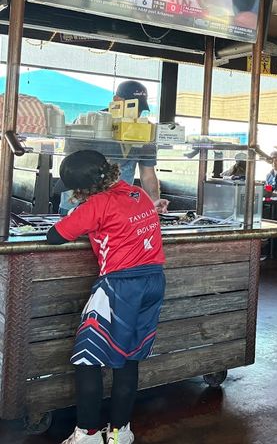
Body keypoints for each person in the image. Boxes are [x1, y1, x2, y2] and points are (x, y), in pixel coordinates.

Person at [46, 151, 165, 444]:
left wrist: (80, 212)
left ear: (82, 188)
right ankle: (119, 433)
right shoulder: (137, 194)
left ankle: (86, 434)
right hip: (154, 281)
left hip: (119, 287)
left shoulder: (96, 205)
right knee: (127, 361)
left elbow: (55, 236)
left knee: (88, 360)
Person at [61, 80, 168, 214]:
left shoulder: (145, 132)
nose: (136, 113)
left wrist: (155, 205)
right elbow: (70, 167)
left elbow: (148, 175)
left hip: (117, 207)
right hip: (78, 204)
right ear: (116, 100)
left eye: (140, 109)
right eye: (132, 106)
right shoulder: (88, 123)